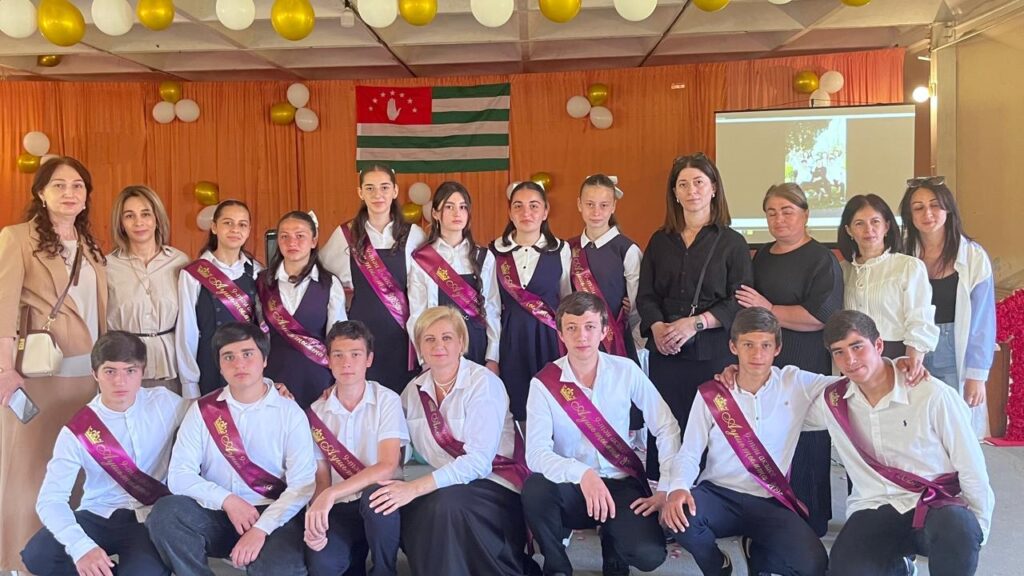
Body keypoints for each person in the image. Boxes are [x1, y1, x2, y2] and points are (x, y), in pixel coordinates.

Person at [811, 310, 994, 576]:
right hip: (874, 506)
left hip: (934, 505)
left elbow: (971, 464)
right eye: (839, 352)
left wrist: (977, 530)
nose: (849, 360)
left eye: (857, 346)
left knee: (960, 529)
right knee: (846, 570)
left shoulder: (932, 394)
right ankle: (900, 568)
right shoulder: (834, 400)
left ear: (878, 345)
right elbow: (779, 403)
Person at [661, 308, 831, 576]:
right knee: (679, 518)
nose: (757, 354)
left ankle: (756, 553)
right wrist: (678, 487)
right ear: (733, 346)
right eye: (748, 345)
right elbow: (690, 451)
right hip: (718, 493)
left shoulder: (795, 382)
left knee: (813, 565)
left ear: (777, 348)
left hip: (769, 498)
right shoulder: (713, 393)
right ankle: (718, 566)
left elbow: (849, 384)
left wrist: (894, 367)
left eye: (766, 345)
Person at [0, 156, 108, 571]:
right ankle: (21, 561)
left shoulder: (90, 245)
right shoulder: (17, 238)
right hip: (39, 380)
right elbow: (4, 310)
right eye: (59, 185)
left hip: (88, 380)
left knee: (78, 474)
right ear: (41, 193)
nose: (69, 193)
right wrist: (6, 370)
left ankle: (72, 559)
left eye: (77, 185)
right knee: (33, 472)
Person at [523, 292, 680, 576]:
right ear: (560, 333)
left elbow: (666, 425)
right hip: (572, 486)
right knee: (535, 489)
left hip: (620, 482)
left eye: (590, 326)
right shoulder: (544, 384)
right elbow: (535, 453)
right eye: (572, 328)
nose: (581, 336)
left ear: (605, 330)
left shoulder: (625, 370)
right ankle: (557, 566)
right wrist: (582, 474)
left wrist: (666, 487)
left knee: (648, 556)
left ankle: (614, 544)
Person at [146, 322, 316, 575]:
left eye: (247, 354)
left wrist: (260, 529)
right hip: (218, 512)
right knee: (165, 514)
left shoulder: (290, 413)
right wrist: (228, 501)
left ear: (264, 360)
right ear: (220, 365)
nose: (239, 364)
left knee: (279, 570)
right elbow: (179, 475)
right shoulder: (203, 411)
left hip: (273, 514)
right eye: (229, 357)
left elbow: (302, 485)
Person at [376, 306, 532, 576]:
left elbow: (479, 463)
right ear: (419, 347)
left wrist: (414, 489)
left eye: (447, 337)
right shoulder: (412, 392)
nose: (438, 345)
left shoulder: (483, 383)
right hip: (439, 485)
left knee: (446, 504)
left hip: (494, 483)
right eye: (429, 339)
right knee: (406, 504)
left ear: (461, 343)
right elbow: (398, 446)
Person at [22, 331, 187, 576]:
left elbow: (206, 420)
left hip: (148, 518)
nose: (120, 381)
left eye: (130, 371)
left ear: (142, 372)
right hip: (98, 512)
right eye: (110, 371)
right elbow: (50, 499)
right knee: (38, 554)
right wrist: (81, 547)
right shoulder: (78, 430)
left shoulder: (166, 403)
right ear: (95, 374)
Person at [735, 183, 844, 536]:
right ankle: (771, 512)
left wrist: (769, 309)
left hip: (805, 358)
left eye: (787, 211)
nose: (779, 219)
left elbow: (822, 315)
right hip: (765, 362)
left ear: (805, 214)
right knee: (768, 433)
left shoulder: (821, 258)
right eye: (771, 212)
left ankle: (810, 517)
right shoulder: (762, 256)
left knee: (806, 436)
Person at [637, 153, 752, 481]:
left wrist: (695, 323)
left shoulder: (732, 242)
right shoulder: (660, 241)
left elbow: (739, 301)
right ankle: (664, 492)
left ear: (714, 188)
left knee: (711, 427)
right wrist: (657, 327)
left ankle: (706, 497)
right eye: (683, 184)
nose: (692, 191)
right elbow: (646, 295)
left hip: (712, 352)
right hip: (666, 352)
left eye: (699, 182)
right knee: (665, 426)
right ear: (674, 193)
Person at [304, 320, 407, 576]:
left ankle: (385, 570)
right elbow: (322, 479)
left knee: (376, 498)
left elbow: (387, 466)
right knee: (323, 564)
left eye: (355, 354)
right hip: (339, 506)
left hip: (379, 504)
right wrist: (317, 516)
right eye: (338, 355)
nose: (346, 363)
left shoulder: (387, 400)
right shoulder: (316, 412)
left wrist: (331, 493)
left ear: (369, 359)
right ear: (328, 360)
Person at [900, 176, 996, 437]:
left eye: (935, 205)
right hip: (910, 348)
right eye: (918, 207)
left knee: (954, 429)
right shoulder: (901, 254)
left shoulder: (973, 256)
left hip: (954, 348)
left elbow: (982, 322)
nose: (927, 214)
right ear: (909, 214)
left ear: (948, 209)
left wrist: (977, 375)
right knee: (914, 428)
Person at [320, 164, 426, 394]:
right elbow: (323, 276)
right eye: (370, 188)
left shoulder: (414, 234)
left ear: (395, 191)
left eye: (384, 187)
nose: (378, 194)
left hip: (403, 334)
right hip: (361, 333)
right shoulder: (346, 234)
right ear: (360, 193)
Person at [491, 181, 572, 426]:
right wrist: (492, 355)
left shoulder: (561, 250)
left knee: (553, 406)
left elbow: (567, 298)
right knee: (516, 407)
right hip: (510, 339)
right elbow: (492, 306)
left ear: (545, 211)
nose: (526, 212)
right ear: (509, 212)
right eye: (518, 206)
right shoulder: (495, 251)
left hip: (550, 339)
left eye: (534, 206)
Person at [837, 194, 938, 377]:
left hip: (896, 356)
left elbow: (920, 317)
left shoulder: (908, 266)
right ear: (849, 231)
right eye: (859, 223)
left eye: (875, 222)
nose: (869, 229)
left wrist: (914, 358)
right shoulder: (842, 270)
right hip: (852, 359)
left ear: (887, 226)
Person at [408, 181, 501, 370]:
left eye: (462, 207)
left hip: (476, 343)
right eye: (449, 207)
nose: (457, 213)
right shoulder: (422, 258)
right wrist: (424, 358)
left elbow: (492, 308)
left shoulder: (483, 256)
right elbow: (417, 314)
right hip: (438, 346)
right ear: (435, 213)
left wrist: (493, 357)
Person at [258, 211, 347, 408]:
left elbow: (339, 340)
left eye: (300, 236)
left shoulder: (329, 284)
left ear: (314, 241)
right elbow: (256, 335)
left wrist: (339, 382)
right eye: (284, 236)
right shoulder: (262, 283)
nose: (292, 242)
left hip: (319, 380)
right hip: (273, 381)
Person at [176, 200, 262, 399]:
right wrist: (189, 383)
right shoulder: (193, 273)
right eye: (228, 223)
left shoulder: (257, 271)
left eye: (242, 224)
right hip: (210, 364)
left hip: (248, 365)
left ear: (249, 230)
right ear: (214, 227)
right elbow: (187, 330)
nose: (235, 229)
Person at [106, 186, 188, 393]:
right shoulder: (106, 266)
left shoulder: (180, 262)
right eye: (129, 216)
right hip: (122, 364)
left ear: (157, 219)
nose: (138, 222)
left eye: (145, 214)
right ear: (121, 223)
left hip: (170, 364)